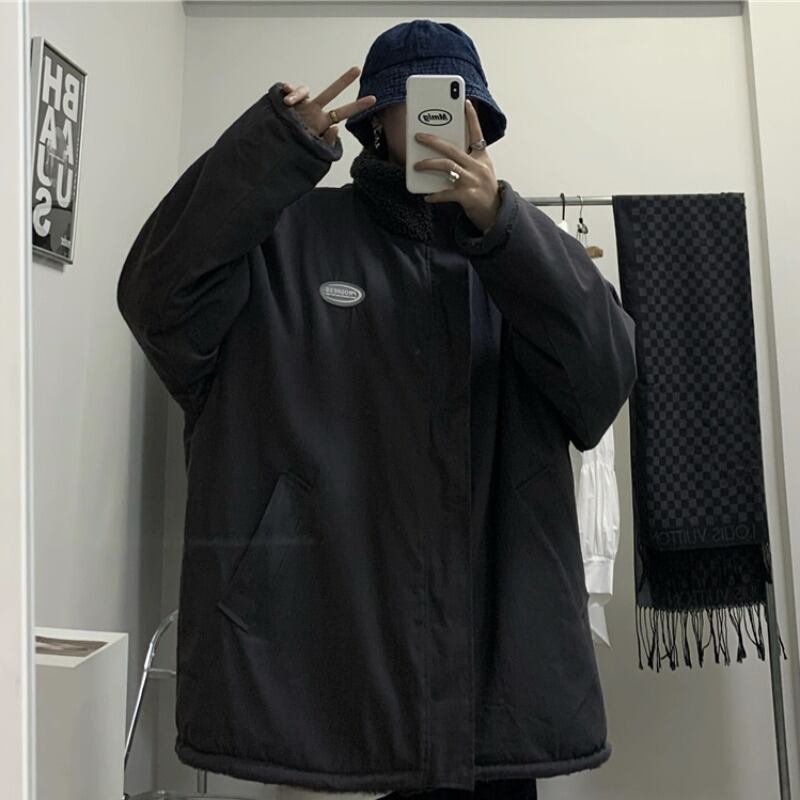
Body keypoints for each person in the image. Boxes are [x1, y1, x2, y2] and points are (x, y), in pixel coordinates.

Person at [117, 18, 636, 800]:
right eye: (414, 103)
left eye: (456, 105)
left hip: (490, 689)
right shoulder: (285, 237)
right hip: (321, 676)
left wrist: (504, 225)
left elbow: (603, 383)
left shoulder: (524, 257)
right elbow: (158, 301)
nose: (438, 121)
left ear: (479, 118)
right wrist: (273, 151)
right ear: (375, 119)